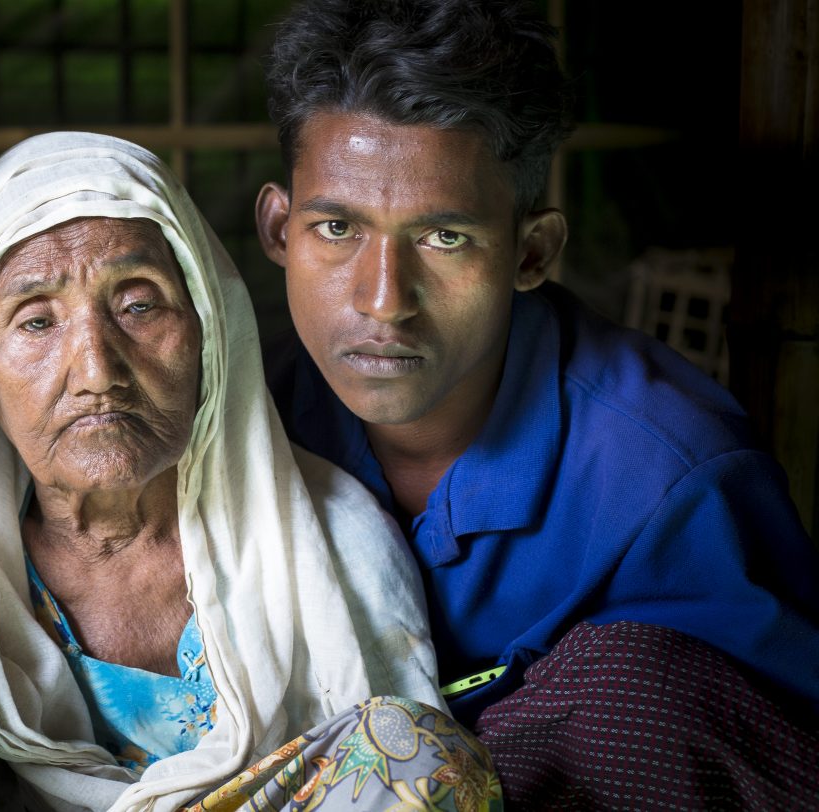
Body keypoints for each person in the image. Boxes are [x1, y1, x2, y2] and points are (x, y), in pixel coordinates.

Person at [0, 132, 502, 810]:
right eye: (36, 321)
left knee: (422, 753)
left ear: (208, 338)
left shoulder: (329, 532)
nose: (96, 368)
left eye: (138, 305)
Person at [256, 0, 819, 805]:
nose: (383, 300)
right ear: (280, 230)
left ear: (531, 251)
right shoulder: (243, 431)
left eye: (444, 237)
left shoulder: (674, 485)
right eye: (337, 228)